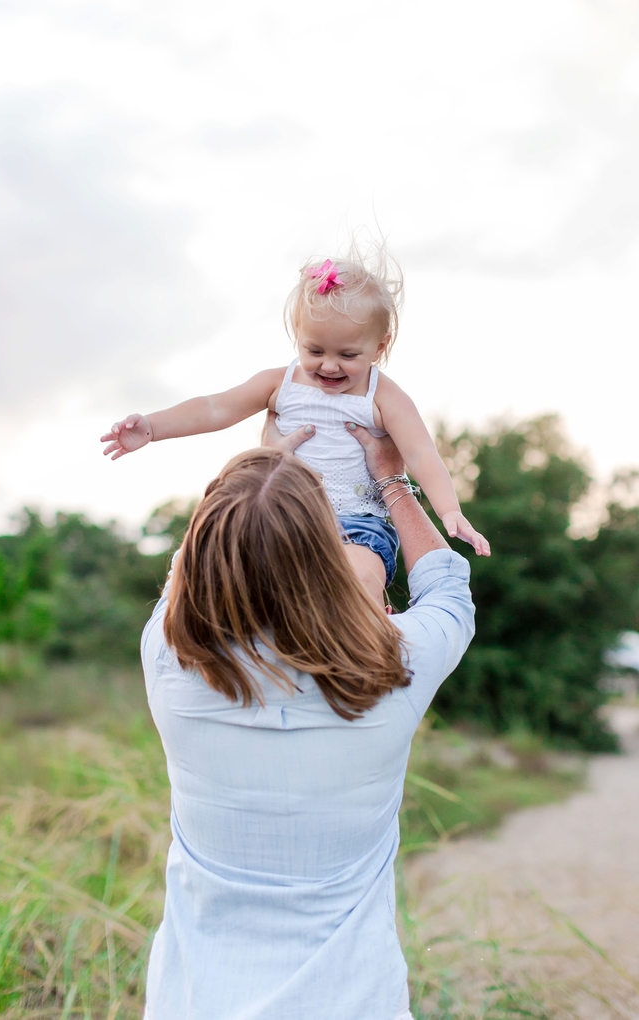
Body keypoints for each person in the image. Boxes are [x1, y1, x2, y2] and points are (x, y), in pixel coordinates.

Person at [140, 420, 475, 1020]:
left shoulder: (170, 661)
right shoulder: (393, 664)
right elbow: (447, 588)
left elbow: (182, 580)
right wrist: (392, 483)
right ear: (326, 550)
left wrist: (251, 482)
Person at [101, 243, 490, 605]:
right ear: (297, 338)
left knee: (359, 583)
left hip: (357, 525)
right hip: (282, 514)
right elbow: (216, 408)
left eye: (348, 354)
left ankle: (365, 651)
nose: (329, 365)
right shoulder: (280, 384)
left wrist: (449, 509)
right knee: (249, 585)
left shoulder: (383, 396)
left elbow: (421, 453)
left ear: (380, 346)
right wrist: (152, 427)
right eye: (314, 350)